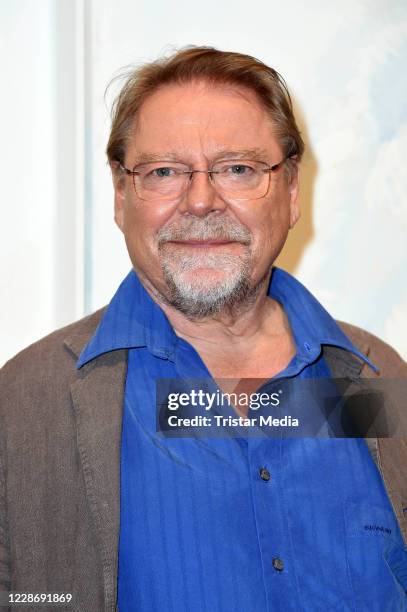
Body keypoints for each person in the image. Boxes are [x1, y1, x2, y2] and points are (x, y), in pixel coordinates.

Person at [1, 46, 407, 612]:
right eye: (164, 172)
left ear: (291, 192)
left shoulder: (378, 375)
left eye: (237, 168)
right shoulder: (22, 406)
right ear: (122, 196)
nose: (200, 201)